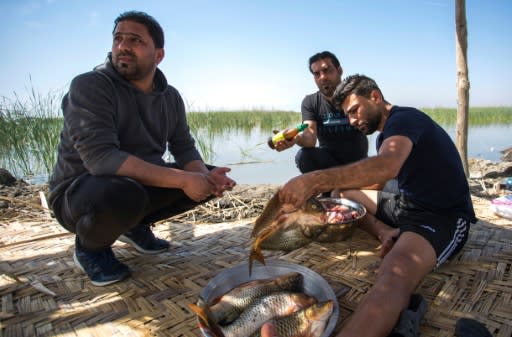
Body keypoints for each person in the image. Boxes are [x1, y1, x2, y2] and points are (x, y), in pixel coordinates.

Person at [278, 74, 476, 337]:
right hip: (407, 204)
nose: (352, 120)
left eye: (354, 110)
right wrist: (341, 195)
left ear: (375, 97)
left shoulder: (405, 119)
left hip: (440, 216)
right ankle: (385, 231)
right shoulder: (384, 137)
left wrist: (315, 180)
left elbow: (387, 165)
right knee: (342, 192)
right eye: (347, 115)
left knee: (395, 273)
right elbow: (383, 179)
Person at [48, 11, 236, 287]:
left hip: (132, 186)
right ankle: (90, 248)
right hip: (80, 194)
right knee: (124, 192)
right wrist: (184, 179)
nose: (123, 46)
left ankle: (133, 226)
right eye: (118, 39)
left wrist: (204, 178)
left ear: (158, 55)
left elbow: (184, 147)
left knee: (205, 177)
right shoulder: (90, 85)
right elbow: (101, 159)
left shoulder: (170, 97)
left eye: (135, 40)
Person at [270, 51, 368, 174]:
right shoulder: (310, 102)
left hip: (359, 164)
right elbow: (310, 137)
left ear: (340, 70)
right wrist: (296, 139)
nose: (323, 77)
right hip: (329, 166)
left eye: (327, 70)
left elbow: (380, 120)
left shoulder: (357, 96)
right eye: (317, 74)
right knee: (303, 156)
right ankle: (330, 188)